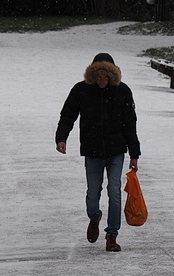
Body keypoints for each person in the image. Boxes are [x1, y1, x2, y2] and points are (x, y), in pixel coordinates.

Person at [56, 53, 141, 252]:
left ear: (113, 76)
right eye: (98, 76)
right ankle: (94, 217)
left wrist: (134, 154)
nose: (102, 81)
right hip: (92, 150)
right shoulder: (81, 90)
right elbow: (67, 115)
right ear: (92, 76)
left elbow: (130, 124)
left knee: (115, 191)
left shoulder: (122, 92)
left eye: (106, 77)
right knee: (93, 193)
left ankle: (112, 234)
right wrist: (61, 137)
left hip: (116, 150)